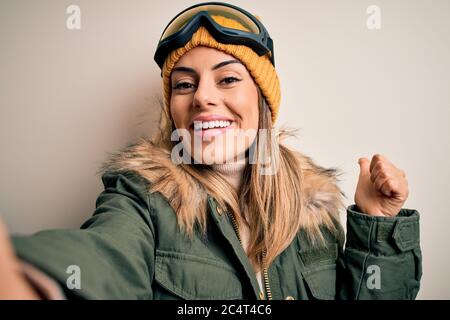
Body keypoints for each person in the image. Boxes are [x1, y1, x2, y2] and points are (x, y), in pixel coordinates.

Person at [0, 2, 421, 300]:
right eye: (184, 84)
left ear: (262, 100)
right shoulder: (143, 199)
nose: (202, 98)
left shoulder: (314, 208)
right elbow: (104, 256)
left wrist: (377, 226)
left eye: (227, 79)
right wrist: (30, 278)